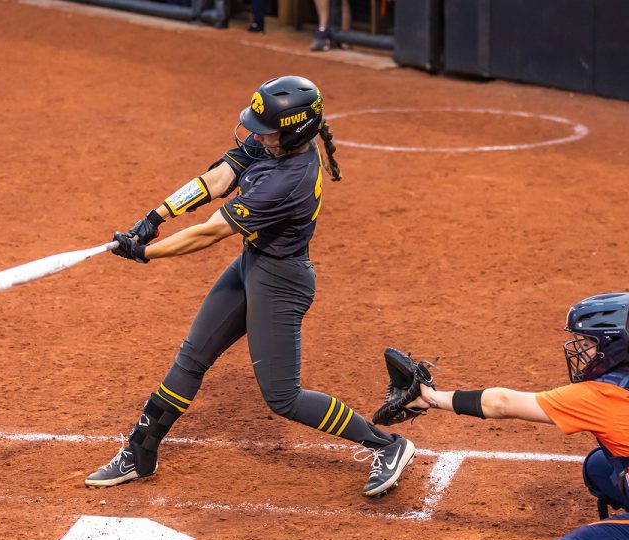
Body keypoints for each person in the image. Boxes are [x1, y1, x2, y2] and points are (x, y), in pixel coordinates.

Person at [85, 75, 416, 497]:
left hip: (281, 281)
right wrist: (156, 217)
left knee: (283, 398)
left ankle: (387, 445)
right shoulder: (274, 142)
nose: (258, 137)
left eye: (268, 131)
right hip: (252, 266)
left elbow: (209, 232)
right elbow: (218, 180)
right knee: (192, 357)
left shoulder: (287, 181)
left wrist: (145, 253)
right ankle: (139, 452)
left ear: (293, 130)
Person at [403, 292, 629, 540]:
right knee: (599, 468)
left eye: (588, 343)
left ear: (611, 345)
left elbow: (503, 403)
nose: (582, 350)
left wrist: (430, 398)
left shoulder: (602, 395)